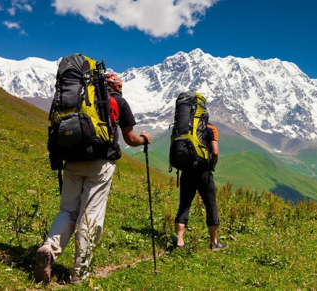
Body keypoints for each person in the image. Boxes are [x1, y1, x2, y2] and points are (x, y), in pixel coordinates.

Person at [34, 72, 152, 284]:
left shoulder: (78, 100)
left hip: (71, 162)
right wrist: (144, 139)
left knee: (68, 210)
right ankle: (79, 273)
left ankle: (48, 249)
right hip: (100, 163)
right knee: (90, 216)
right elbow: (130, 138)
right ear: (117, 86)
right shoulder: (117, 101)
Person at [173, 118, 227, 251]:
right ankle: (214, 242)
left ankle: (179, 241)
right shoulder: (210, 128)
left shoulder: (184, 128)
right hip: (204, 172)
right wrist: (212, 164)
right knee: (211, 205)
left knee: (184, 205)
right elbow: (215, 152)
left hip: (187, 171)